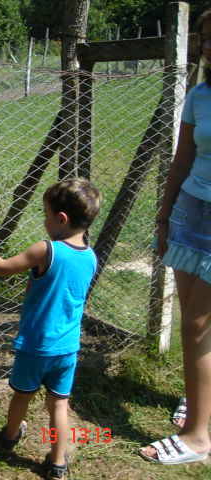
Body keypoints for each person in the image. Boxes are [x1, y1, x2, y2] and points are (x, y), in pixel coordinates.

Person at [0, 178, 101, 480]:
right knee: (59, 404)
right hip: (68, 348)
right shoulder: (91, 257)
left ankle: (8, 437)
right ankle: (57, 463)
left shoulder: (47, 250)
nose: (45, 221)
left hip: (35, 346)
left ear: (61, 219)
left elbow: (2, 267)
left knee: (22, 396)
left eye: (46, 215)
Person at [139, 8, 211, 466]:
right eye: (205, 38)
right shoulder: (200, 95)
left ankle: (200, 436)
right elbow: (181, 160)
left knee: (201, 325)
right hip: (192, 213)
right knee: (196, 322)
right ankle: (200, 401)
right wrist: (164, 216)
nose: (207, 47)